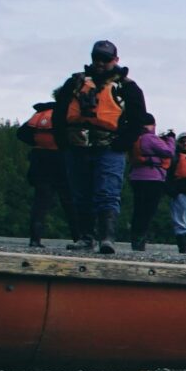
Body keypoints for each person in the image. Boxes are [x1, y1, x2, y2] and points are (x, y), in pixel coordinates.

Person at [52, 40, 147, 255]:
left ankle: (107, 238)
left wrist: (122, 143)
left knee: (107, 193)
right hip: (77, 147)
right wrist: (63, 143)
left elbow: (137, 119)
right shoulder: (74, 83)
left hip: (110, 148)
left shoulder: (128, 87)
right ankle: (86, 237)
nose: (101, 63)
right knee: (80, 194)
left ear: (116, 60)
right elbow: (59, 114)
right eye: (97, 58)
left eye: (106, 59)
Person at [14, 101, 68, 248]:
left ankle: (35, 239)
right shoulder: (66, 113)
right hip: (60, 159)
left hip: (39, 160)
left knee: (40, 202)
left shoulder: (39, 115)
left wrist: (36, 143)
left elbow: (21, 133)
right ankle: (80, 238)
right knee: (69, 201)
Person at [124, 116, 173, 251]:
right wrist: (170, 139)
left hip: (136, 177)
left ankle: (136, 238)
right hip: (153, 178)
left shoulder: (136, 137)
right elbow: (168, 152)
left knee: (138, 209)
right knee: (148, 210)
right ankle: (140, 238)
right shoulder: (150, 138)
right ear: (152, 125)